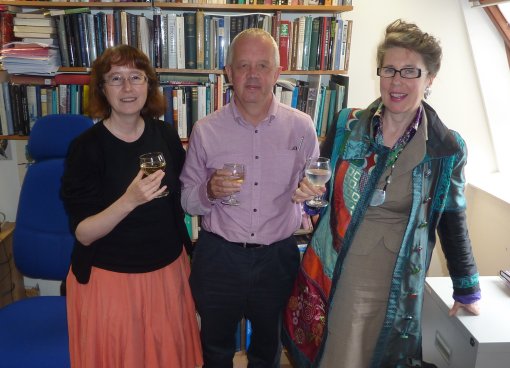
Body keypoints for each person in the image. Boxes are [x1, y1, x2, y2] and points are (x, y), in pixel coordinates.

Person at [283, 19, 481, 368]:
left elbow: (453, 217)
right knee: (338, 355)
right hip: (340, 270)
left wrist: (466, 288)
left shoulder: (446, 147)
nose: (397, 81)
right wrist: (310, 193)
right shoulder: (348, 124)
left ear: (430, 78)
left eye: (410, 71)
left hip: (400, 279)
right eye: (389, 70)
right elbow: (324, 188)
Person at [180, 28, 319, 368]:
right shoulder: (205, 130)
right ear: (228, 73)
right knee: (214, 349)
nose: (253, 75)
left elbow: (317, 186)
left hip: (277, 258)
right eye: (243, 66)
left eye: (262, 65)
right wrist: (208, 191)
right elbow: (187, 201)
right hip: (219, 259)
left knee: (267, 350)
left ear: (277, 72)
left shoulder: (301, 128)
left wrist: (313, 193)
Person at [61, 45, 203, 368]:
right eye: (116, 79)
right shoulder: (85, 149)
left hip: (168, 276)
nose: (128, 88)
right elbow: (84, 233)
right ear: (101, 89)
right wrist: (129, 201)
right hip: (112, 283)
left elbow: (183, 198)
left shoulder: (165, 135)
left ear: (148, 85)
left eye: (136, 77)